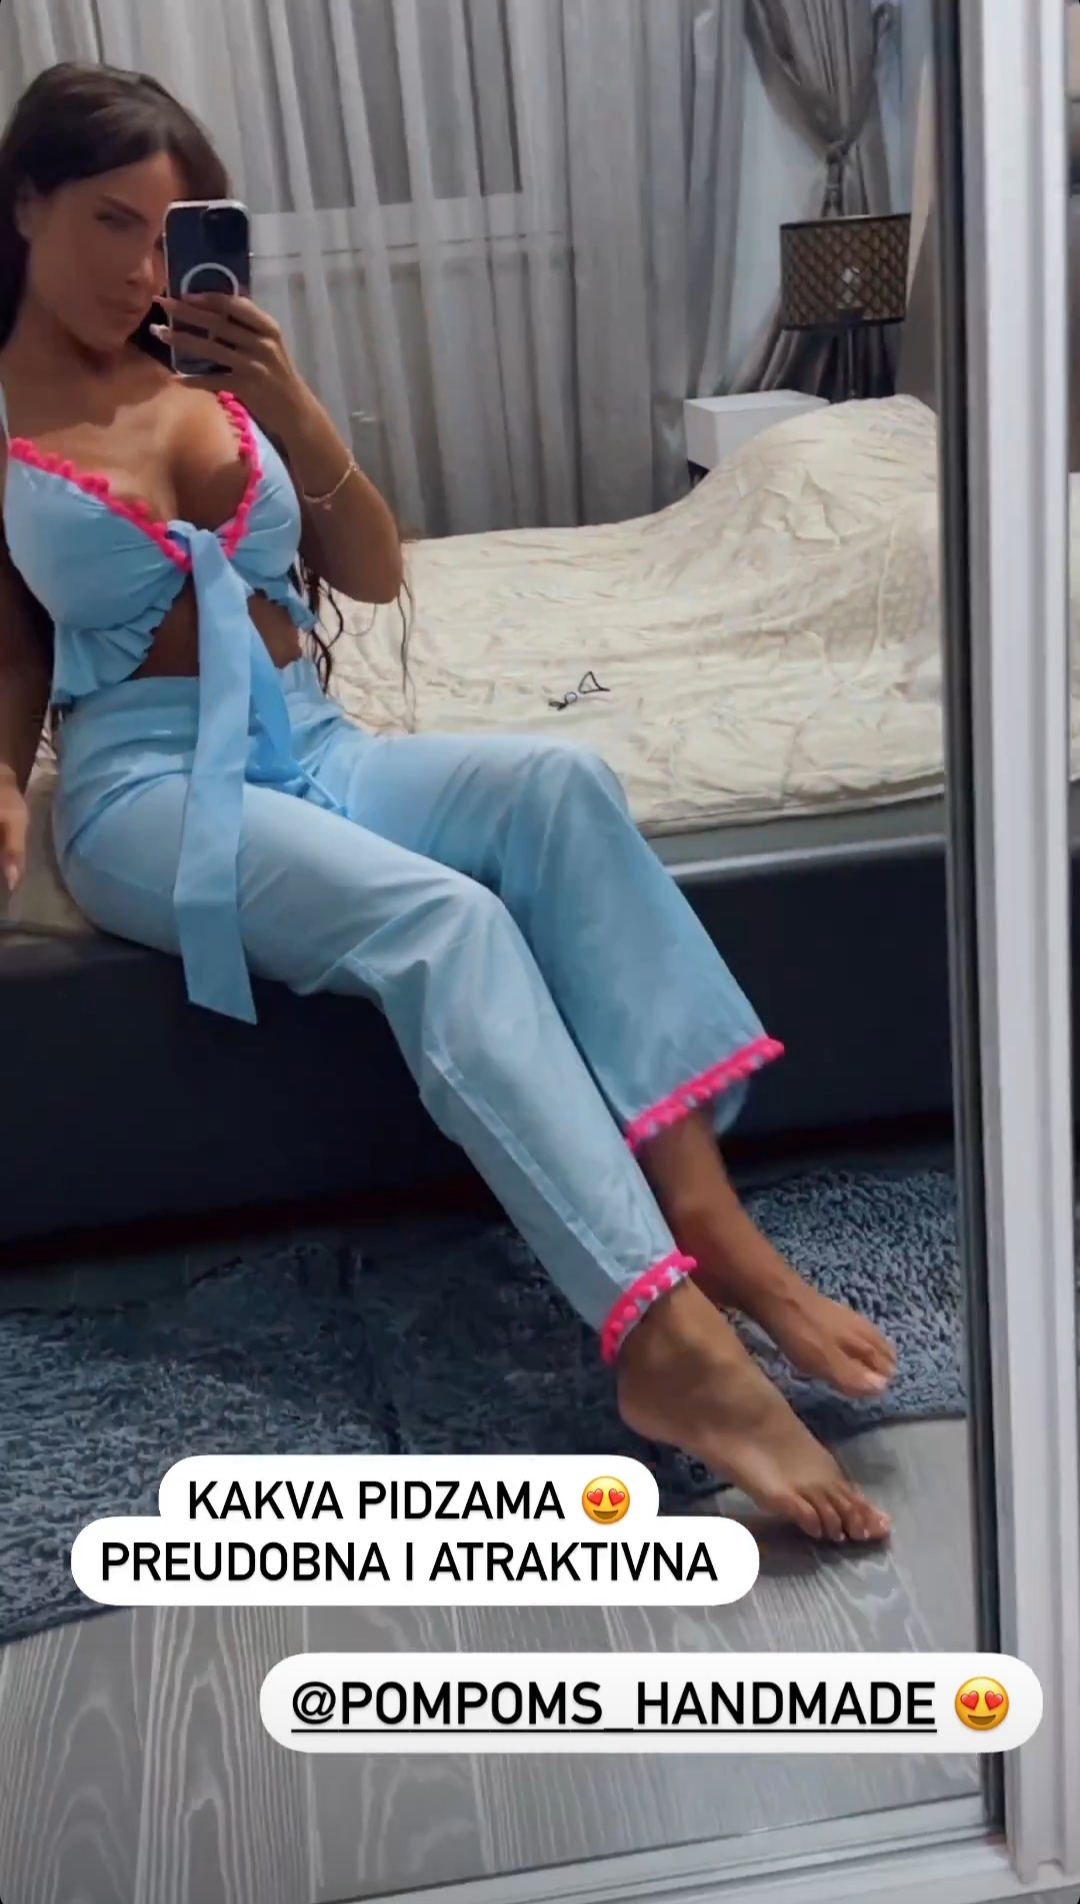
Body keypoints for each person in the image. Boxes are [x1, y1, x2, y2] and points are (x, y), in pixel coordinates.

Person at [0, 63, 895, 1543]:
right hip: (146, 787)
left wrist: (284, 398)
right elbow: (13, 649)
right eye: (110, 224)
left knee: (558, 786)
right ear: (27, 203)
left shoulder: (212, 371)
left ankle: (705, 1216)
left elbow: (371, 571)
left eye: (171, 237)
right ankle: (666, 1343)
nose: (145, 272)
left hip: (311, 738)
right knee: (447, 923)